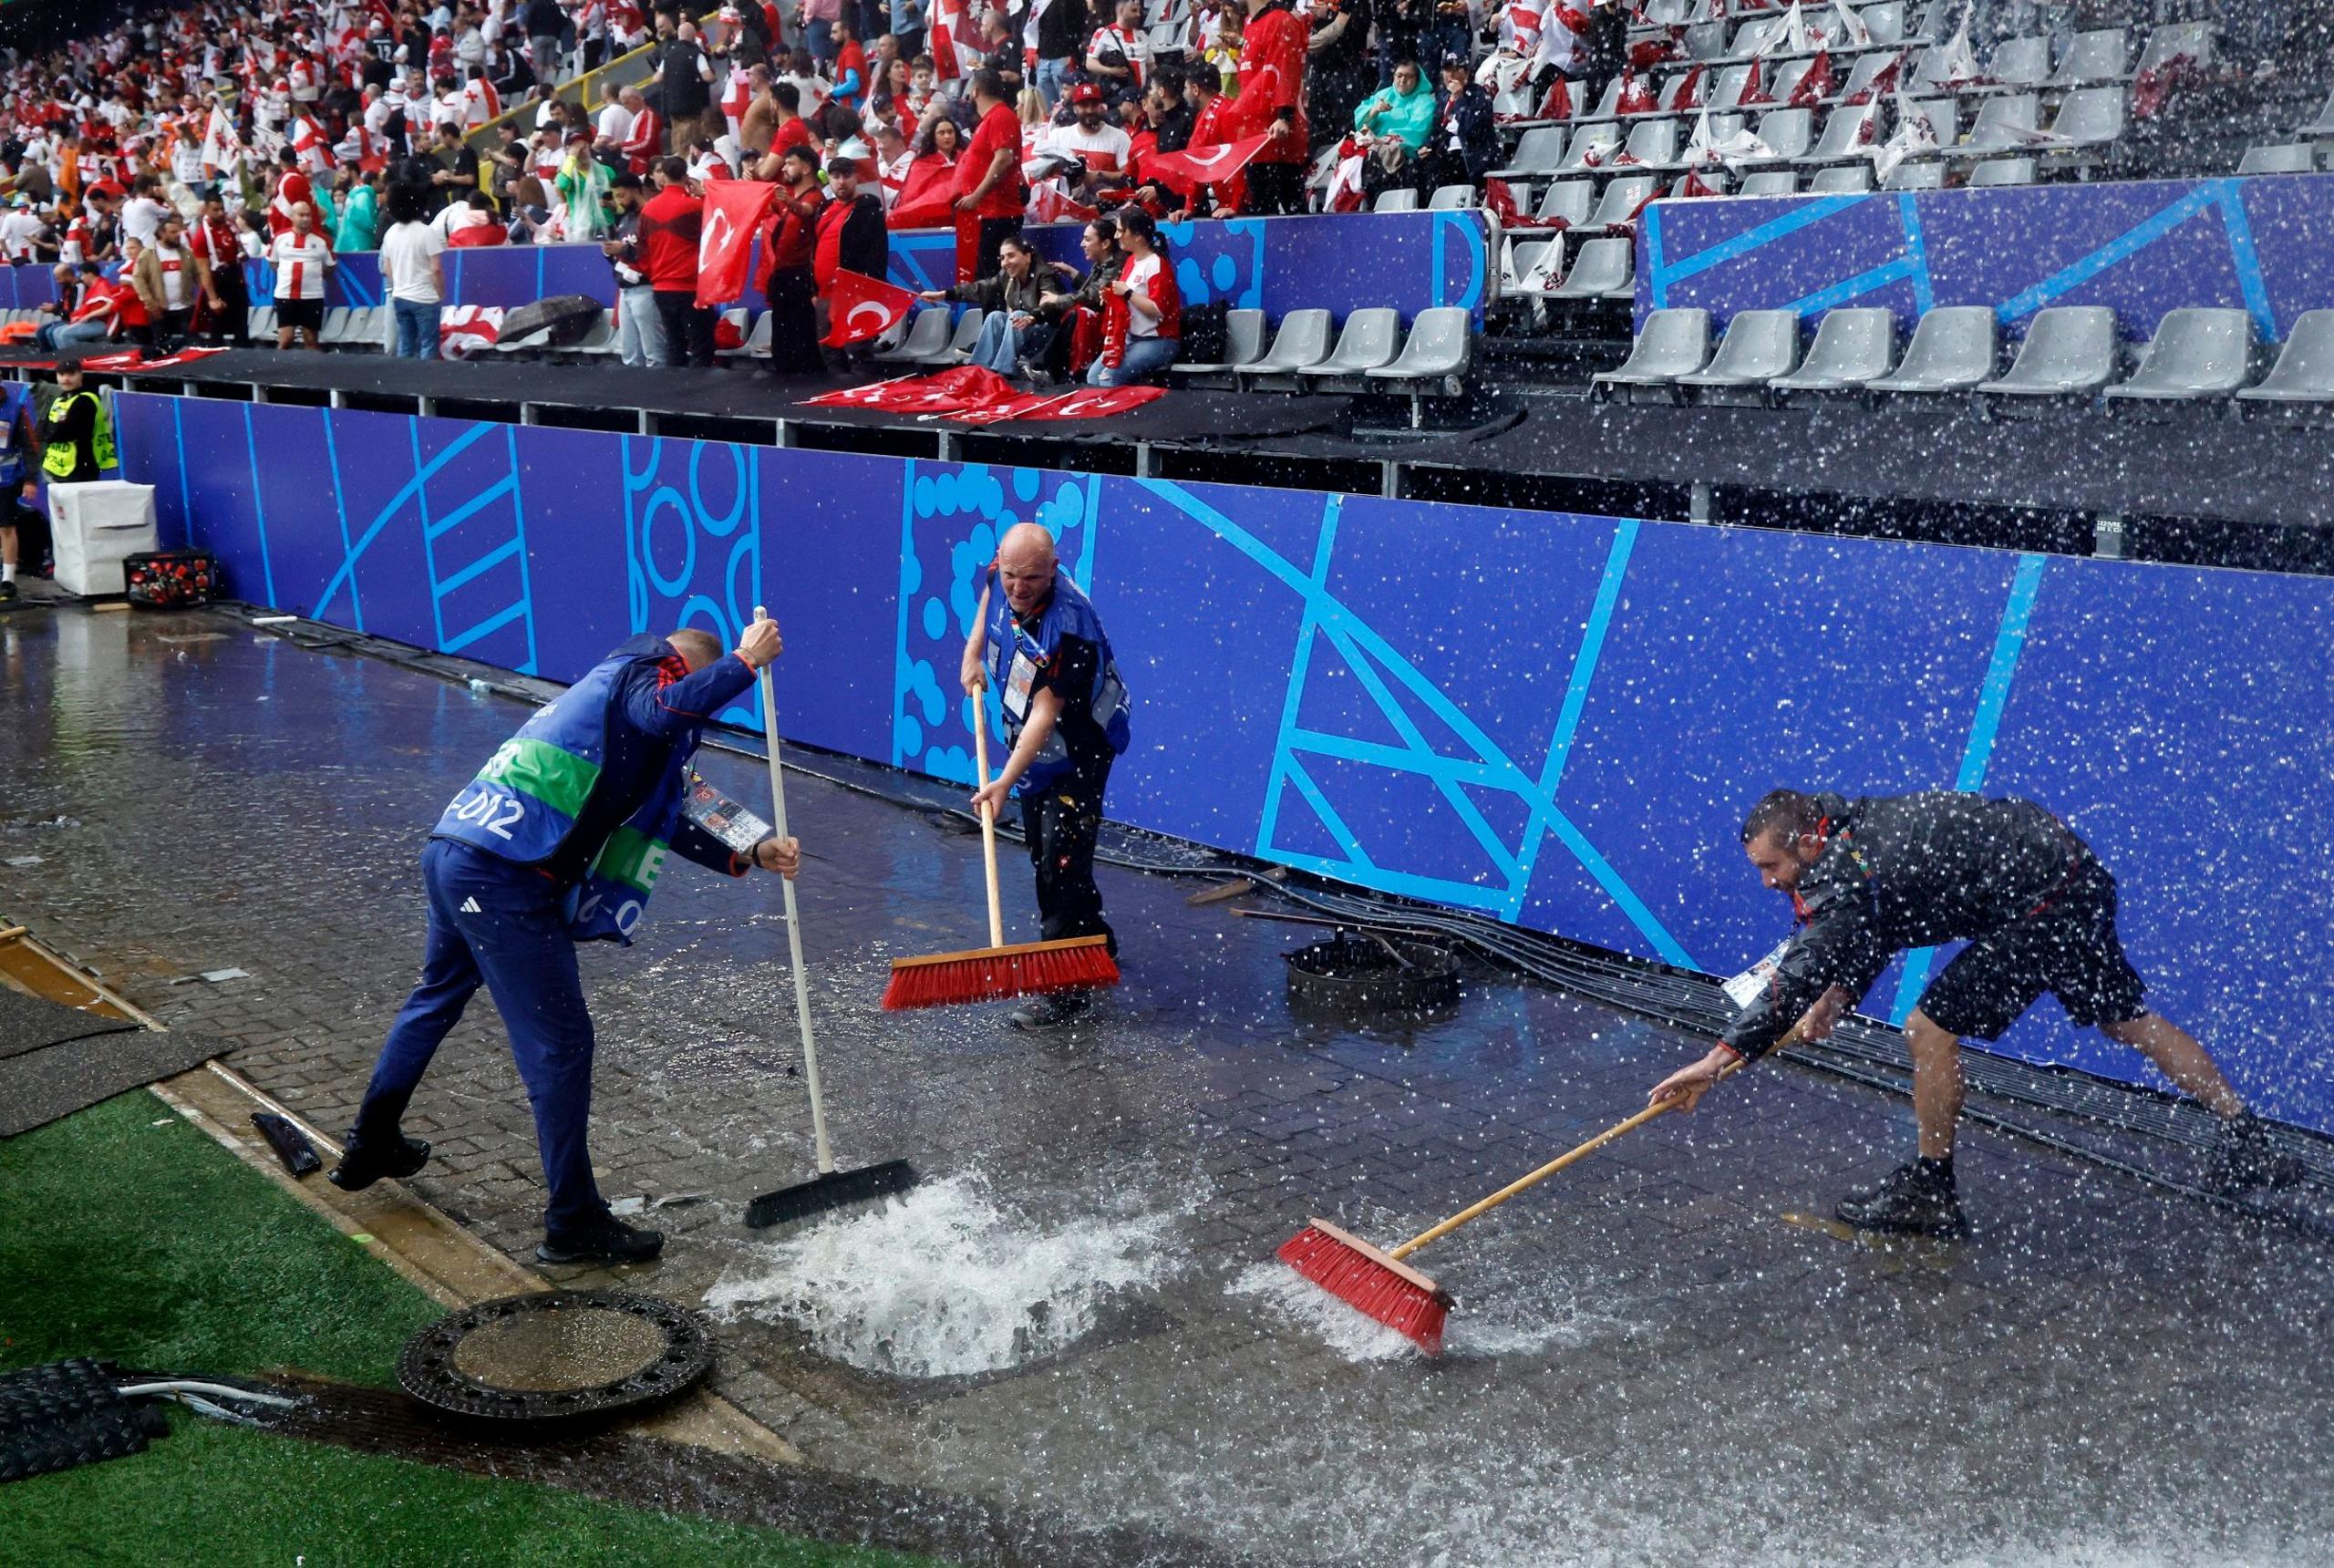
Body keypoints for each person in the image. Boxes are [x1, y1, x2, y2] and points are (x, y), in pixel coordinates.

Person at [331, 621, 801, 1264]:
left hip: (458, 851)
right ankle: (573, 1220)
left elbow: (673, 800)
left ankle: (372, 1142)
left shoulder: (610, 690)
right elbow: (666, 714)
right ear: (690, 667)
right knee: (561, 1044)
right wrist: (747, 663)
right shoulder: (649, 676)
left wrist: (752, 844)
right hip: (504, 876)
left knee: (436, 997)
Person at [1648, 789, 2307, 1237]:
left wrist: (1715, 1062)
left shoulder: (1852, 870)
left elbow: (1798, 975)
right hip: (2070, 873)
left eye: (1771, 867)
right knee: (2125, 1019)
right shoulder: (1852, 840)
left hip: (2040, 904)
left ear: (1807, 843)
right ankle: (2246, 1136)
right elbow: (1879, 924)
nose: (1768, 881)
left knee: (1926, 1028)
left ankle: (1932, 1186)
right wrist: (1842, 996)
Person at [958, 521, 1131, 1029]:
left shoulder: (1069, 630)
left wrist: (1003, 783)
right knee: (1046, 848)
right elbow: (989, 605)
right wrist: (972, 652)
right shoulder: (1003, 575)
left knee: (1059, 863)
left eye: (1030, 579)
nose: (1017, 587)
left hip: (1078, 749)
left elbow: (1044, 714)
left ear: (1052, 571)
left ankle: (1065, 993)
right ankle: (1096, 941)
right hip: (1038, 747)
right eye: (1011, 574)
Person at [918, 232, 1050, 379]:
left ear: (1028, 257)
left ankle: (1003, 374)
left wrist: (1032, 317)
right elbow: (980, 288)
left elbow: (1051, 305)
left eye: (1011, 256)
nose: (1005, 263)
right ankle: (980, 372)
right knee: (995, 317)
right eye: (1002, 258)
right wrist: (943, 294)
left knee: (1017, 315)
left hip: (1044, 338)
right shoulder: (1006, 277)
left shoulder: (1045, 275)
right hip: (1021, 334)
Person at [811, 146, 888, 372]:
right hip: (824, 293)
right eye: (835, 176)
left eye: (846, 176)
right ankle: (838, 396)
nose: (841, 181)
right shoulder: (824, 208)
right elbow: (814, 250)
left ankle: (861, 397)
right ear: (829, 179)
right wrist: (813, 290)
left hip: (854, 293)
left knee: (858, 349)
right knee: (829, 349)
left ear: (856, 178)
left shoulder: (868, 209)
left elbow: (877, 253)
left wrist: (869, 288)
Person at [1230, 0, 1308, 214]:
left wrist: (1284, 115)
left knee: (1293, 213)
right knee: (1262, 208)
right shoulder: (1252, 23)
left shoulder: (1280, 20)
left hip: (1276, 136)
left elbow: (1286, 67)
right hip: (1255, 136)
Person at [1089, 204, 1178, 386]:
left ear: (1138, 236)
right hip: (1130, 337)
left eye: (1121, 231)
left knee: (1108, 377)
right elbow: (1125, 298)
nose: (1116, 236)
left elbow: (1158, 310)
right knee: (1092, 377)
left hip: (1160, 341)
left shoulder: (1157, 265)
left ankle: (1116, 411)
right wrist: (1111, 296)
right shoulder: (1130, 261)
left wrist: (1127, 293)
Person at [638, 156, 714, 366]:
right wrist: (703, 195)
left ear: (663, 176)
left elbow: (642, 250)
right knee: (701, 348)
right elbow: (717, 225)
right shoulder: (695, 206)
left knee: (675, 346)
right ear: (685, 177)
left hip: (662, 288)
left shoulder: (648, 209)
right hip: (691, 288)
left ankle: (676, 394)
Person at [954, 68, 1025, 283]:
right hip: (988, 213)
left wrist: (977, 195)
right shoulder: (992, 118)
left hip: (998, 213)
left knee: (993, 281)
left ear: (975, 91)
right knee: (986, 281)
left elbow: (1003, 159)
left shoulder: (1001, 116)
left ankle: (996, 316)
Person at [759, 143, 825, 374]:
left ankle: (804, 381)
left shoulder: (815, 197)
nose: (784, 168)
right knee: (782, 335)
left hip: (801, 276)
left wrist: (788, 201)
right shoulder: (788, 202)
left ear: (806, 168)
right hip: (784, 277)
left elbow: (806, 211)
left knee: (802, 334)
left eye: (790, 163)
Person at [601, 173, 667, 367]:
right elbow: (621, 256)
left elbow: (656, 250)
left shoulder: (650, 215)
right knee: (630, 354)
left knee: (654, 352)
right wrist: (610, 253)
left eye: (622, 196)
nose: (619, 201)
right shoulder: (625, 219)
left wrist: (624, 249)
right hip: (625, 289)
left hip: (645, 287)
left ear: (635, 191)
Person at [380, 184, 448, 359]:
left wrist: (399, 286)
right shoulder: (427, 233)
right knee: (428, 345)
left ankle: (404, 382)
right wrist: (440, 294)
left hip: (400, 296)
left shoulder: (390, 233)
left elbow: (387, 268)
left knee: (405, 344)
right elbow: (436, 269)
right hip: (426, 298)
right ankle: (425, 384)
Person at [37, 359, 117, 489]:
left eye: (71, 374)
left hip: (81, 469)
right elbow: (41, 431)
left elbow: (63, 433)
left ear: (81, 375)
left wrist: (52, 428)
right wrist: (54, 428)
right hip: (59, 469)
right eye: (62, 375)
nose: (66, 379)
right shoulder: (59, 399)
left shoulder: (85, 400)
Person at [269, 203, 336, 352]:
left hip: (312, 296)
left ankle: (311, 373)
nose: (305, 219)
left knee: (311, 341)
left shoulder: (322, 240)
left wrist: (313, 275)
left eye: (308, 215)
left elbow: (331, 265)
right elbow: (273, 262)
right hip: (285, 294)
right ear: (292, 216)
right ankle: (278, 370)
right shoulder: (280, 238)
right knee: (286, 339)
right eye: (301, 215)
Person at [131, 211, 198, 353]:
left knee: (192, 345)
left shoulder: (186, 253)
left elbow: (198, 275)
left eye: (178, 231)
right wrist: (149, 302)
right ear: (162, 234)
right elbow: (138, 278)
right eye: (173, 232)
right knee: (162, 348)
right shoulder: (148, 254)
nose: (177, 235)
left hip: (185, 308)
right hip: (160, 309)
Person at [556, 129, 614, 240]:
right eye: (577, 149)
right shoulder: (567, 173)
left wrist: (610, 205)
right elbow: (562, 185)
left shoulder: (605, 171)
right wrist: (572, 157)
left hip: (605, 225)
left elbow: (617, 203)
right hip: (580, 227)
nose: (581, 152)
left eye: (584, 148)